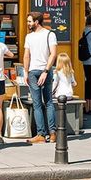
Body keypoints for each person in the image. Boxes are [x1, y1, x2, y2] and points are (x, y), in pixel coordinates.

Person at [23, 11, 58, 143]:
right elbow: (53, 54)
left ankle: (41, 134)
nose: (28, 24)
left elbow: (27, 56)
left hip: (34, 71)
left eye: (30, 21)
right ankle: (53, 133)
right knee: (48, 102)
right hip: (45, 71)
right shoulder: (51, 34)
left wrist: (26, 72)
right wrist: (46, 70)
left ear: (36, 22)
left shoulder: (29, 37)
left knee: (37, 104)